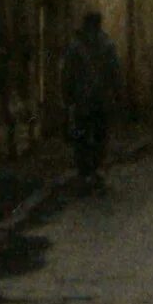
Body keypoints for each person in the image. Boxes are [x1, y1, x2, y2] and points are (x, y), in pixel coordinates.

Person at [61, 12, 122, 187]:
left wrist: (67, 96)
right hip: (101, 100)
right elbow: (115, 72)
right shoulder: (107, 45)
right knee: (100, 135)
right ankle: (96, 171)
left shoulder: (75, 47)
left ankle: (84, 173)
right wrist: (117, 94)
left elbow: (67, 74)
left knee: (81, 137)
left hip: (82, 101)